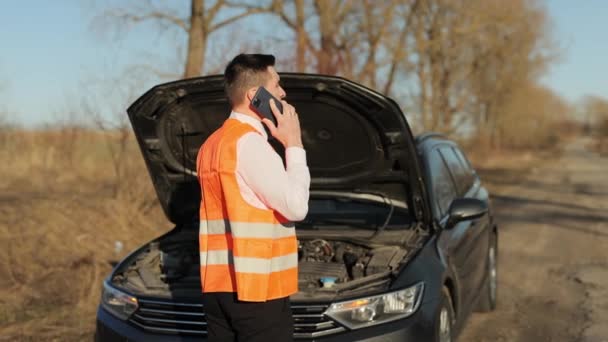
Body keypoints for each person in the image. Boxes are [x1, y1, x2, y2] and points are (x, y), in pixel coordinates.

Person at [196, 54, 310, 342]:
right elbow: (296, 207)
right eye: (276, 84)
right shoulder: (250, 144)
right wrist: (294, 144)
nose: (283, 93)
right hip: (258, 292)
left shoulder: (212, 144)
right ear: (254, 95)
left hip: (218, 287)